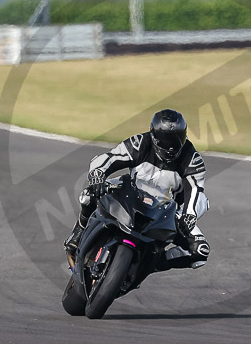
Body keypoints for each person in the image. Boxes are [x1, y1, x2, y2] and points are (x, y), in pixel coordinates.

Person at [64, 109, 210, 270]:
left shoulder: (192, 159)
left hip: (167, 209)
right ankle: (77, 234)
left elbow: (196, 191)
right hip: (130, 192)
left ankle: (150, 265)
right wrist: (98, 175)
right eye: (165, 140)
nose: (170, 147)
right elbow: (110, 158)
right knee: (89, 195)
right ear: (154, 135)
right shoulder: (140, 142)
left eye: (177, 139)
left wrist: (190, 215)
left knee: (200, 251)